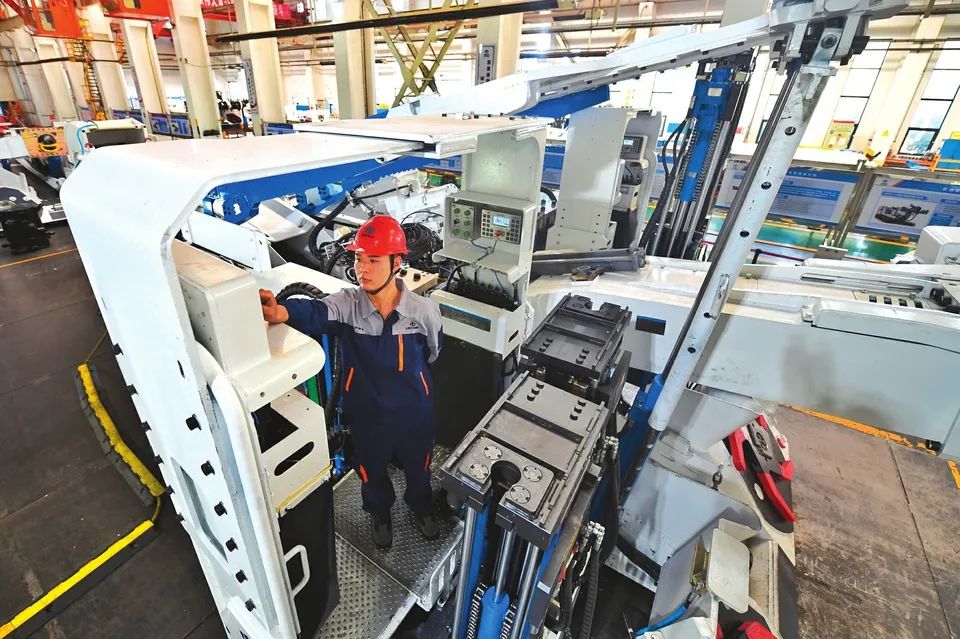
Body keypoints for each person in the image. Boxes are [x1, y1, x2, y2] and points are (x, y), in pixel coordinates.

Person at [259, 215, 443, 549]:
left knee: (420, 466)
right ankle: (379, 512)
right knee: (371, 469)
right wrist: (280, 312)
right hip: (366, 413)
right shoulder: (348, 305)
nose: (362, 269)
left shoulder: (424, 311)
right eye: (359, 259)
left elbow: (434, 351)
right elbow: (315, 312)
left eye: (373, 260)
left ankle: (421, 505)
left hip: (414, 412)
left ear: (397, 263)